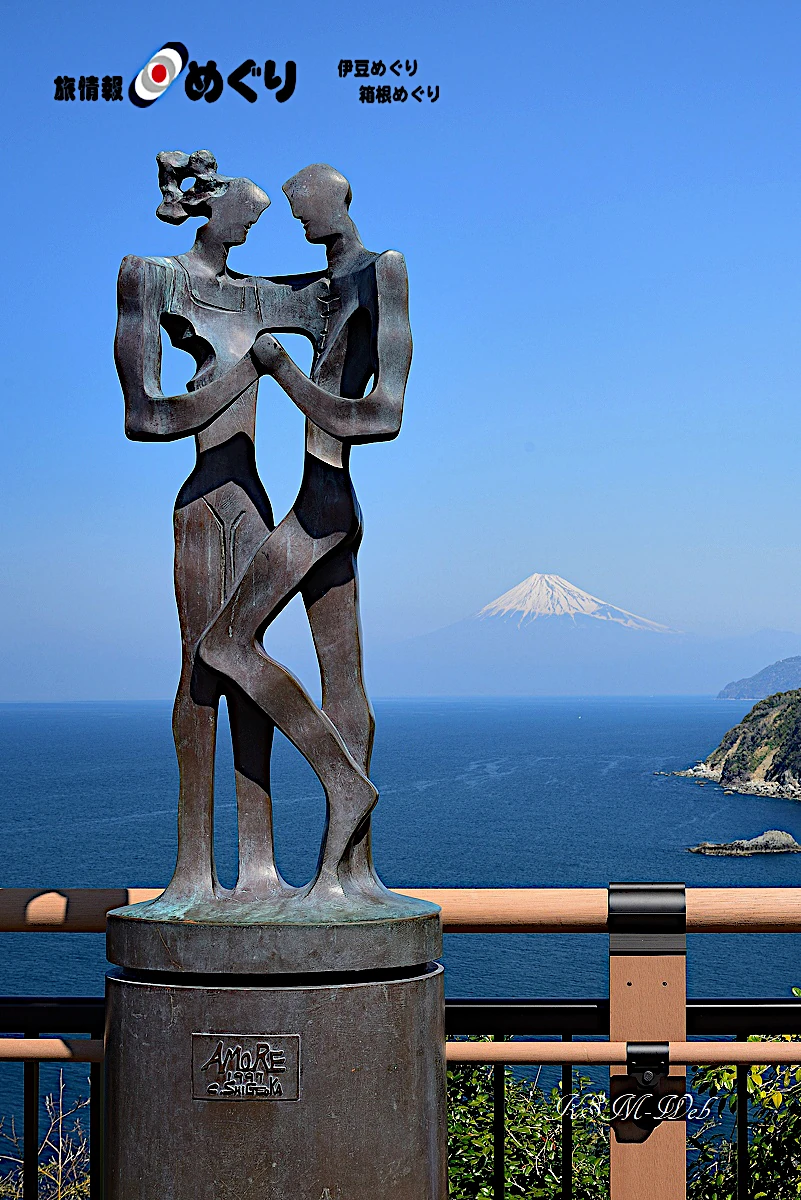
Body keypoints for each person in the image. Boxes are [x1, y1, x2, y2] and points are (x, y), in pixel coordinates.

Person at [115, 149, 329, 910]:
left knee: (246, 665)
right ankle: (191, 869)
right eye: (251, 209)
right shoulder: (154, 276)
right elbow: (147, 417)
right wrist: (249, 372)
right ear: (211, 205)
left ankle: (259, 866)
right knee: (201, 671)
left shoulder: (258, 295)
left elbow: (341, 294)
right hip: (203, 506)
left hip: (255, 506)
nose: (260, 220)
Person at [200, 164, 413, 905]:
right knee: (343, 681)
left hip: (324, 507)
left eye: (300, 208)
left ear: (336, 198)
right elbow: (241, 298)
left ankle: (343, 784)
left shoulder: (379, 273)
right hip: (322, 502)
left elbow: (381, 415)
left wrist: (283, 372)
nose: (295, 221)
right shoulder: (323, 287)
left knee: (224, 644)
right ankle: (343, 873)